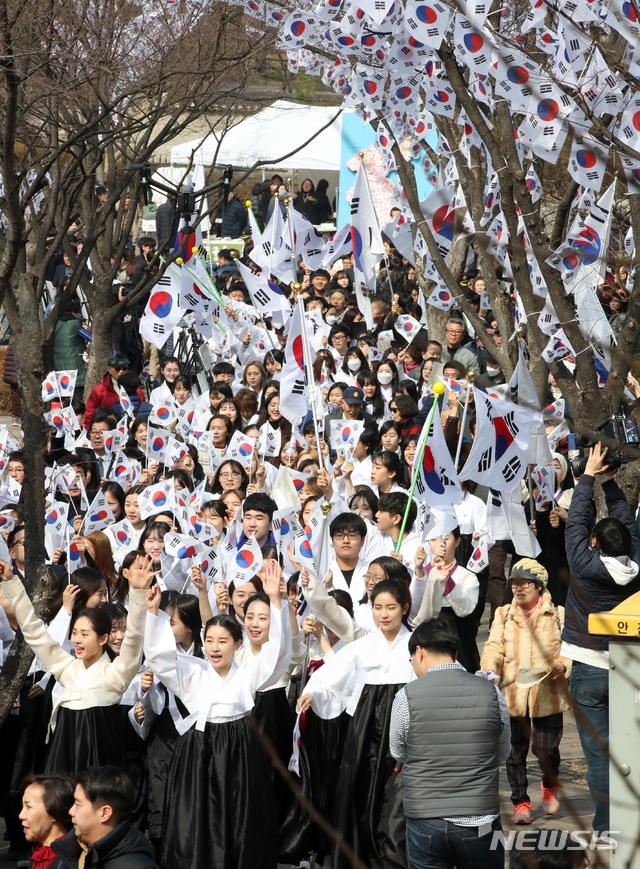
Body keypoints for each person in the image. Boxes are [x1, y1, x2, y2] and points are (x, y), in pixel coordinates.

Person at [143, 562, 290, 869]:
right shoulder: (192, 672)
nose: (214, 648)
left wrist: (276, 602)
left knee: (240, 819)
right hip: (197, 752)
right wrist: (154, 614)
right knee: (196, 818)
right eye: (209, 640)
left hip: (240, 753)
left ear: (238, 644)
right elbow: (159, 658)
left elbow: (278, 654)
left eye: (223, 641)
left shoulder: (248, 674)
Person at [0, 555, 154, 774]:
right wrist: (11, 582)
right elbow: (33, 630)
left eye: (85, 634)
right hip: (62, 760)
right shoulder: (66, 668)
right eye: (74, 633)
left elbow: (134, 637)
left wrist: (138, 593)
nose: (77, 640)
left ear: (103, 639)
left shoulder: (116, 674)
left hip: (100, 765)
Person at [561, 442, 640, 834]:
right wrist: (606, 480)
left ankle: (608, 827)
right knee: (631, 750)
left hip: (589, 670)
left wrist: (589, 474)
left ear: (594, 543)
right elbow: (623, 519)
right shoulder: (637, 562)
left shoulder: (583, 565)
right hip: (629, 668)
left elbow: (576, 520)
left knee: (597, 755)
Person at [389, 616, 511, 869]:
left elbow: (398, 750)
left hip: (425, 818)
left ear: (419, 652)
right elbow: (502, 752)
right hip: (480, 820)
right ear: (454, 652)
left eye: (411, 659)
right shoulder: (492, 692)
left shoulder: (406, 696)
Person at [481, 559, 571, 825]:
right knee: (514, 752)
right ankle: (520, 801)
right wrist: (489, 670)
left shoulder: (557, 614)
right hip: (512, 695)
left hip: (548, 693)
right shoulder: (502, 614)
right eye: (515, 584)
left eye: (525, 584)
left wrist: (562, 665)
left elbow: (569, 651)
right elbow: (493, 648)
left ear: (539, 586)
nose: (518, 589)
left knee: (547, 750)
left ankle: (549, 784)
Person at [51, 766, 158, 869]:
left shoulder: (137, 865)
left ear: (104, 813)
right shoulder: (69, 854)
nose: (71, 811)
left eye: (78, 805)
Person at [19, 774, 74, 869]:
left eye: (29, 806)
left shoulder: (69, 860)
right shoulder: (39, 851)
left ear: (54, 811)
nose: (21, 815)